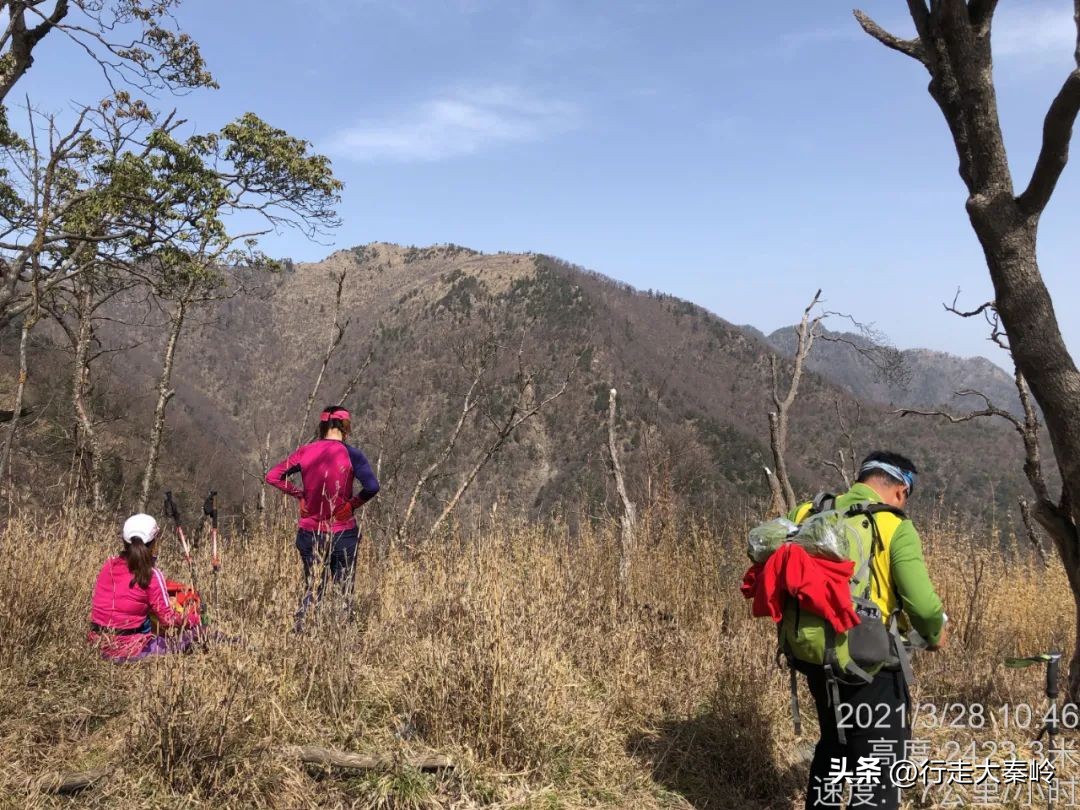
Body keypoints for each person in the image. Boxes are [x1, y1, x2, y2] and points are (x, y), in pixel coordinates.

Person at [791, 451, 946, 810]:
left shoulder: (809, 513)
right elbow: (922, 605)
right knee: (877, 769)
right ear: (901, 491)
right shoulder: (894, 525)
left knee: (834, 748)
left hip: (816, 657)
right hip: (871, 665)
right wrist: (936, 633)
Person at [265, 405, 380, 631]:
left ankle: (302, 635)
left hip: (310, 533)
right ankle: (339, 642)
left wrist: (300, 495)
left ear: (322, 427)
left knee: (314, 586)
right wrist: (352, 505)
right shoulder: (352, 454)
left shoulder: (306, 451)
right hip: (342, 532)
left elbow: (273, 476)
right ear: (345, 427)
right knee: (343, 591)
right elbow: (372, 486)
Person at [88, 513, 202, 662]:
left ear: (124, 541)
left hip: (98, 645)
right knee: (197, 636)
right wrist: (195, 620)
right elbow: (168, 620)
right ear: (154, 543)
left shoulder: (108, 565)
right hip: (131, 649)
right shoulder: (152, 574)